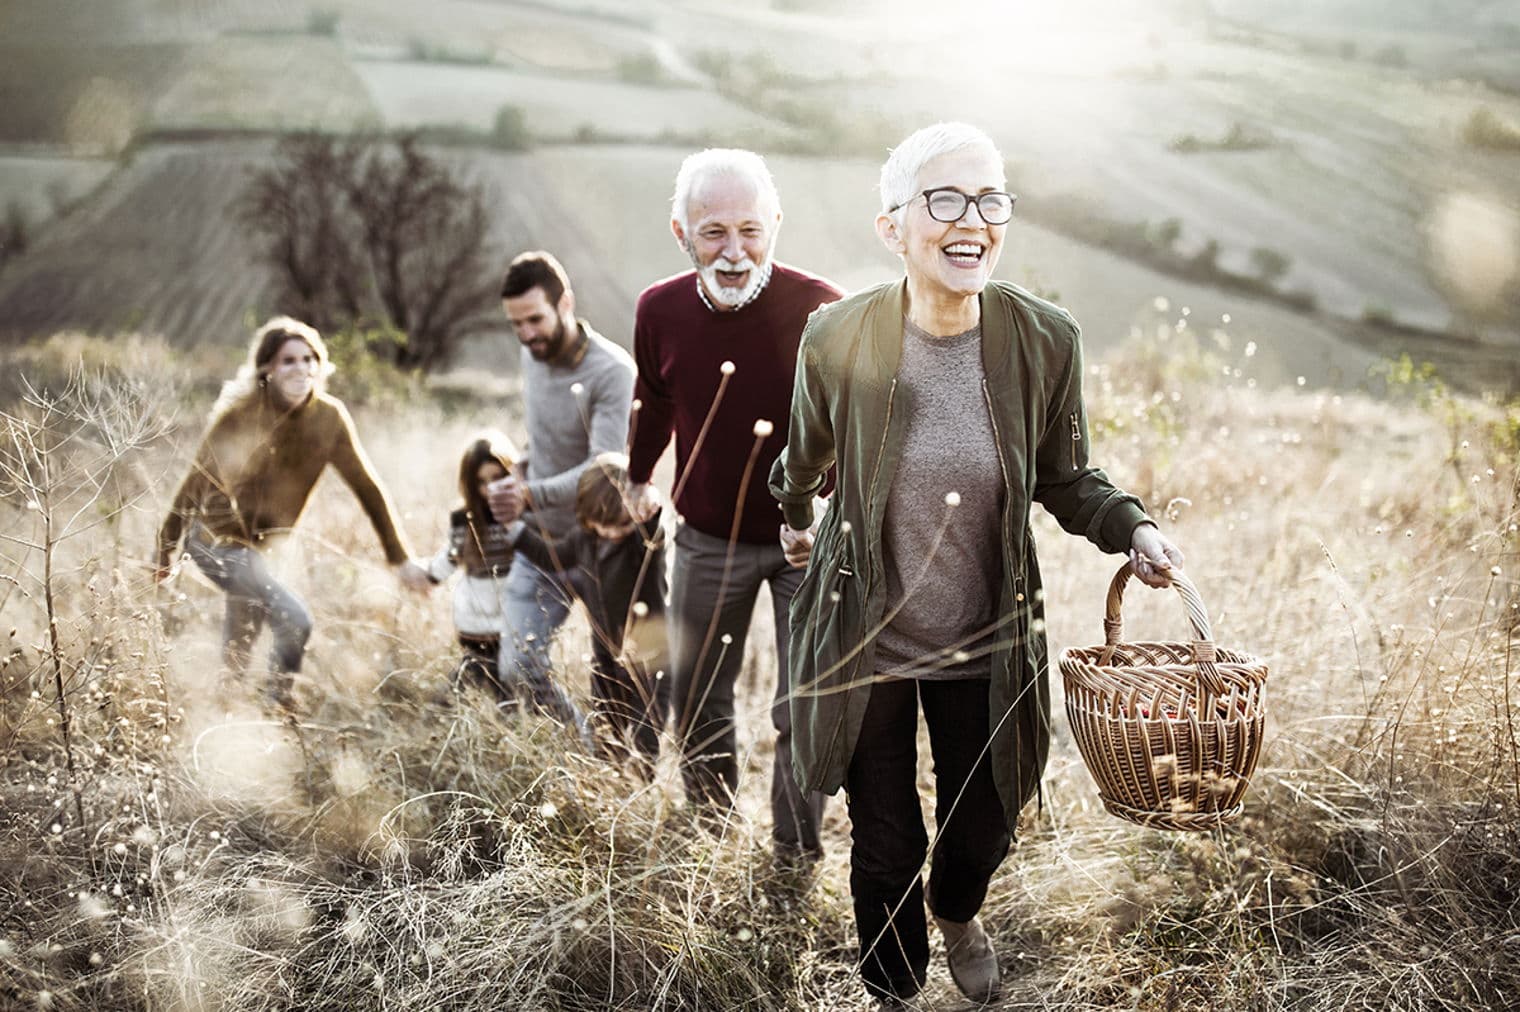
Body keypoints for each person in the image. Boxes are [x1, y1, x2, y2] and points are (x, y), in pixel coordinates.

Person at [769, 122, 1187, 1007]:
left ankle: (959, 912)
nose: (973, 219)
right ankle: (893, 990)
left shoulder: (1044, 340)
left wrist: (1133, 530)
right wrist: (798, 518)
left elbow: (1069, 479)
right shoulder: (836, 337)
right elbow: (801, 456)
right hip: (866, 633)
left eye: (990, 199)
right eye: (946, 199)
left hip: (986, 635)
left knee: (984, 821)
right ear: (894, 227)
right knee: (886, 843)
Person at [625, 148, 843, 860]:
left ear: (776, 223)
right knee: (699, 697)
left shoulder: (821, 309)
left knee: (803, 704)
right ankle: (712, 835)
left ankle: (794, 853)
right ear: (679, 231)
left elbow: (855, 428)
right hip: (706, 539)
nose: (733, 250)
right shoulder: (658, 310)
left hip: (803, 542)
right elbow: (654, 404)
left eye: (750, 229)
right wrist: (637, 476)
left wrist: (828, 519)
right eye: (712, 230)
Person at [155, 316, 417, 709]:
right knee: (295, 618)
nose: (302, 368)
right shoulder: (240, 416)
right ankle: (277, 703)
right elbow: (195, 481)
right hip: (214, 541)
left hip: (260, 551)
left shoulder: (329, 419)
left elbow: (367, 488)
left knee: (243, 631)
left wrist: (399, 557)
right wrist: (164, 550)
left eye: (309, 359)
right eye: (289, 360)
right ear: (268, 370)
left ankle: (226, 715)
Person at [486, 250, 637, 742]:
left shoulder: (611, 370)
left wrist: (528, 494)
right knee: (516, 667)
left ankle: (616, 771)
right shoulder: (532, 356)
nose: (527, 335)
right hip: (541, 545)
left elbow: (604, 468)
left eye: (535, 320)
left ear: (565, 302)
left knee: (620, 680)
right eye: (516, 325)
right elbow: (541, 437)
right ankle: (583, 744)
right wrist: (520, 473)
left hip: (600, 547)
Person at [505, 452, 670, 775]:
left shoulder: (641, 543)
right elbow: (552, 556)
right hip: (605, 654)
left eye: (620, 526)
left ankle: (638, 790)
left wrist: (650, 508)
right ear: (586, 516)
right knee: (607, 726)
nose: (611, 534)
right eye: (602, 527)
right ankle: (610, 781)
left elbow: (656, 533)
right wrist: (516, 532)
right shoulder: (585, 539)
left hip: (649, 658)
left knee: (643, 734)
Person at [403, 431, 585, 717]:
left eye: (497, 478)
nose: (490, 489)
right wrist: (427, 574)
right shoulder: (465, 521)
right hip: (474, 627)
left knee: (516, 692)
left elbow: (543, 560)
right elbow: (448, 558)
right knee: (464, 692)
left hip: (511, 624)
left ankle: (553, 730)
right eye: (481, 482)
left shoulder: (522, 519)